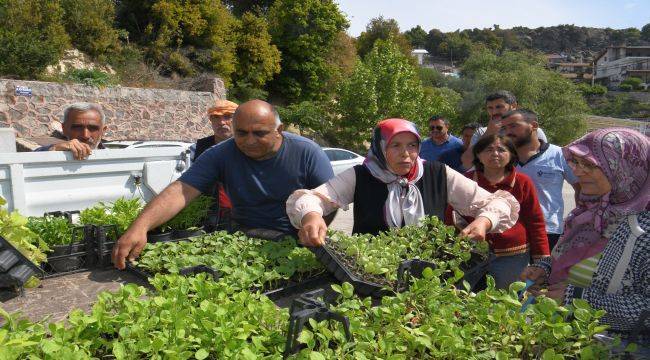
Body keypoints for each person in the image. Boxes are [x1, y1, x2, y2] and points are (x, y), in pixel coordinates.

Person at [112, 100, 334, 269]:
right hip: (244, 235)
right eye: (241, 133)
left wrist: (312, 227)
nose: (249, 140)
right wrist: (140, 226)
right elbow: (181, 190)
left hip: (296, 239)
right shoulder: (221, 153)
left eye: (259, 133)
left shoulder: (307, 152)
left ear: (279, 129)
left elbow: (329, 199)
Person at [287, 118, 519, 247]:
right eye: (395, 146)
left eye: (412, 145)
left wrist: (484, 221)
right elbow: (311, 198)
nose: (406, 154)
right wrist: (312, 215)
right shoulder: (361, 175)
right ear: (380, 147)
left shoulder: (438, 173)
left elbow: (498, 203)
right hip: (370, 273)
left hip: (429, 273)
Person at [520, 128, 649, 352]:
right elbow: (570, 258)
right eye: (575, 163)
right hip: (561, 340)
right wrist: (544, 268)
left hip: (612, 350)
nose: (578, 171)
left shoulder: (643, 230)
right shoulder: (589, 212)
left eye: (589, 165)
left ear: (625, 168)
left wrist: (575, 299)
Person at [446, 134, 549, 289]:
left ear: (511, 155)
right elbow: (450, 216)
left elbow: (535, 221)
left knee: (504, 300)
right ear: (478, 155)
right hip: (469, 254)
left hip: (512, 256)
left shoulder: (522, 182)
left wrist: (541, 260)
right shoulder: (465, 180)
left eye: (501, 150)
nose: (495, 154)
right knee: (462, 297)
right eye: (488, 149)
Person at [501, 109, 580, 251]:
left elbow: (580, 188)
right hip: (508, 230)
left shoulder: (560, 155)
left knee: (542, 272)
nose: (508, 132)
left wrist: (579, 220)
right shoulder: (501, 157)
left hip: (548, 231)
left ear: (534, 125)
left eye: (513, 126)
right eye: (504, 128)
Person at [461, 91, 547, 170]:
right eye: (490, 108)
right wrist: (489, 133)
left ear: (513, 106)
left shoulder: (532, 130)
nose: (494, 112)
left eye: (499, 107)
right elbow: (467, 162)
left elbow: (543, 159)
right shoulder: (481, 132)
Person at [191, 99, 238, 230]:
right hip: (208, 218)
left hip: (245, 216)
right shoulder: (196, 148)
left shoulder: (250, 147)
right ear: (211, 121)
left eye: (227, 117)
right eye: (215, 117)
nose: (221, 122)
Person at [35, 102, 107, 160]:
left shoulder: (115, 160)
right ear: (64, 129)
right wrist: (54, 149)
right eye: (77, 128)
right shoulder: (55, 151)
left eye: (93, 128)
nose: (85, 135)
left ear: (103, 131)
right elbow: (30, 158)